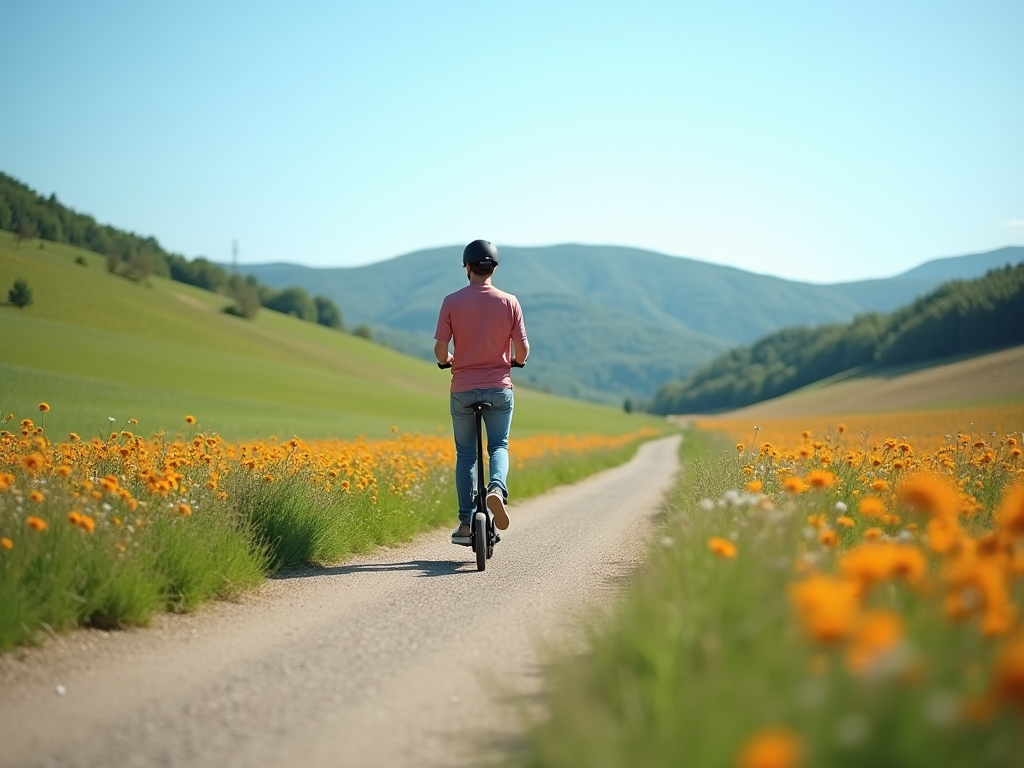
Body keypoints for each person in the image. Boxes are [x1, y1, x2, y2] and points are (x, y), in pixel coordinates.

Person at [434, 239, 530, 543]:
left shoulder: (451, 301)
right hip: (499, 388)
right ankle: (497, 490)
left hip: (462, 388)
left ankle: (466, 524)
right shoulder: (510, 301)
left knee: (466, 455)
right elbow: (523, 350)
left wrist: (448, 360)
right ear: (494, 268)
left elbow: (440, 350)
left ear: (467, 267)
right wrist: (515, 361)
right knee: (498, 445)